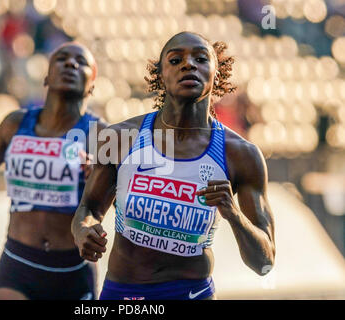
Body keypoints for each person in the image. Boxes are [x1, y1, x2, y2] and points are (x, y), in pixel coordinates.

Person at [71, 32, 276, 300]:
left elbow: (264, 263)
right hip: (123, 293)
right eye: (176, 59)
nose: (188, 64)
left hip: (191, 293)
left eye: (201, 59)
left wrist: (233, 214)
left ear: (217, 73)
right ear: (161, 75)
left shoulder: (241, 155)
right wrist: (83, 231)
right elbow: (88, 209)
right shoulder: (120, 138)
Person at [0, 42, 106, 300]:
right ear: (47, 76)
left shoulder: (102, 134)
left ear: (92, 83)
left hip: (72, 270)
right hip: (18, 264)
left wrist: (98, 176)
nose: (71, 63)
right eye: (61, 58)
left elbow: (118, 200)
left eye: (81, 62)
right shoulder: (16, 123)